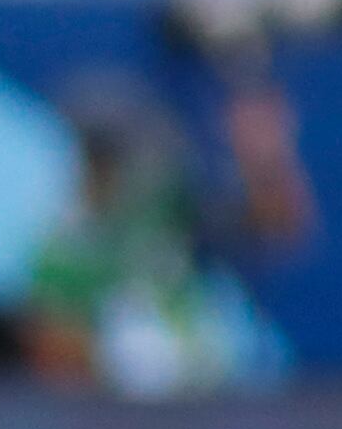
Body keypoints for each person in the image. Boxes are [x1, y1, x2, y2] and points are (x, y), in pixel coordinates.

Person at [23, 67, 315, 396]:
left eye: (113, 157)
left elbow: (278, 225)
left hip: (214, 394)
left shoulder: (168, 205)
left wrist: (264, 156)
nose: (106, 173)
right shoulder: (57, 249)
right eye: (96, 159)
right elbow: (53, 353)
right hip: (117, 412)